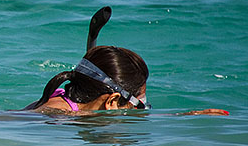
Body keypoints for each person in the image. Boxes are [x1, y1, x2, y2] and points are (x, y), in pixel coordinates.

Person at [20, 44, 227, 116]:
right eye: (139, 106)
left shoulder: (65, 96)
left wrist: (183, 115)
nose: (141, 111)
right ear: (111, 101)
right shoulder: (59, 116)